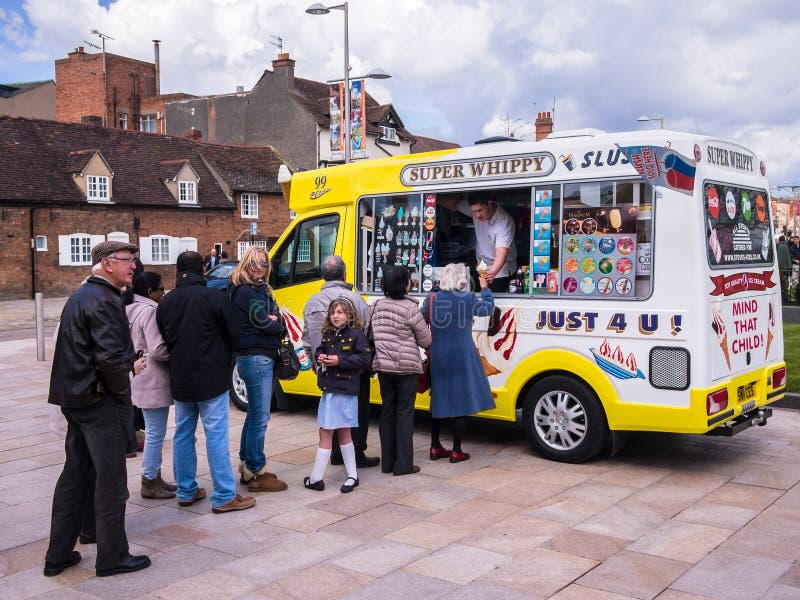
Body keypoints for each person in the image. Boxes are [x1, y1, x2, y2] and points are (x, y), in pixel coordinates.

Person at [44, 240, 150, 578]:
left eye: (134, 260)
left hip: (75, 399)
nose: (134, 266)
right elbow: (107, 359)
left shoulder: (83, 296)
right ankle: (113, 557)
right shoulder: (104, 300)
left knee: (75, 476)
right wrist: (125, 386)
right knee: (112, 481)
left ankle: (58, 555)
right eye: (127, 260)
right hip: (98, 401)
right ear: (106, 263)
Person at [156, 251, 256, 514]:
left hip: (180, 376)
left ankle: (186, 490)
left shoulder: (166, 302)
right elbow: (235, 332)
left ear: (178, 271)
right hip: (212, 376)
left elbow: (165, 337)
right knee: (216, 435)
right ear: (202, 269)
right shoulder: (214, 297)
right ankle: (224, 494)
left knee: (183, 434)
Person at [302, 255, 380, 468]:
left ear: (323, 276)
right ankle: (355, 453)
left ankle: (336, 452)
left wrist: (317, 364)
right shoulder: (356, 300)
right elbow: (365, 334)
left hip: (326, 368)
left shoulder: (311, 302)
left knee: (332, 409)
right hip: (353, 368)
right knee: (357, 410)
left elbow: (307, 338)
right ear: (344, 274)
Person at [228, 246, 288, 492]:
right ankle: (256, 470)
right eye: (254, 263)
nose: (259, 268)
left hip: (258, 356)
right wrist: (275, 322)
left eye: (263, 264)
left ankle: (248, 464)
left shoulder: (259, 289)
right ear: (245, 263)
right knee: (260, 417)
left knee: (254, 414)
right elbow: (264, 322)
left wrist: (277, 320)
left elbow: (277, 320)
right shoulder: (245, 291)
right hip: (255, 357)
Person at [422, 263, 495, 462]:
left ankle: (435, 447)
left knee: (437, 400)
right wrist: (485, 288)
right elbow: (487, 308)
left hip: (437, 353)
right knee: (461, 401)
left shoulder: (431, 298)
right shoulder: (469, 298)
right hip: (462, 354)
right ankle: (456, 450)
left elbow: (421, 321)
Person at [304, 298, 373, 493]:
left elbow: (364, 359)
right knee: (339, 431)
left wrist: (339, 360)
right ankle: (351, 476)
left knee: (331, 431)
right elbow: (321, 349)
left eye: (341, 312)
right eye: (333, 312)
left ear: (350, 315)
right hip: (330, 390)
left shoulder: (357, 335)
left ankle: (319, 478)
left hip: (345, 391)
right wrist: (320, 356)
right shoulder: (327, 334)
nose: (336, 316)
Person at [370, 266, 431, 475]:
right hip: (406, 370)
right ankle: (404, 465)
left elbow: (369, 334)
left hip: (384, 368)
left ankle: (387, 463)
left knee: (387, 413)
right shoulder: (410, 308)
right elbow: (426, 339)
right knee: (404, 414)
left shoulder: (376, 306)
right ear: (403, 284)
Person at [125, 271, 177, 499]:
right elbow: (157, 349)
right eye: (160, 289)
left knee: (153, 429)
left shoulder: (128, 308)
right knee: (156, 431)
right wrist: (177, 355)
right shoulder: (149, 311)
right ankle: (149, 479)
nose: (163, 292)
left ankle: (154, 476)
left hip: (138, 373)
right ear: (150, 292)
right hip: (153, 375)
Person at [439, 193, 517, 292]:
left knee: (492, 301)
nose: (477, 215)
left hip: (500, 269)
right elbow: (454, 205)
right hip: (482, 264)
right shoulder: (477, 210)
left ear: (489, 204)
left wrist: (492, 273)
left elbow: (502, 253)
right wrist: (432, 197)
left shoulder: (504, 222)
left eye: (480, 210)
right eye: (474, 212)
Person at [777, 235, 793, 301]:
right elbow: (789, 257)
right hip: (786, 267)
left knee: (779, 282)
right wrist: (790, 267)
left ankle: (780, 296)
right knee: (785, 283)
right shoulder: (787, 246)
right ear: (784, 240)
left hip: (778, 267)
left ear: (779, 240)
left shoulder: (776, 246)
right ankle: (785, 296)